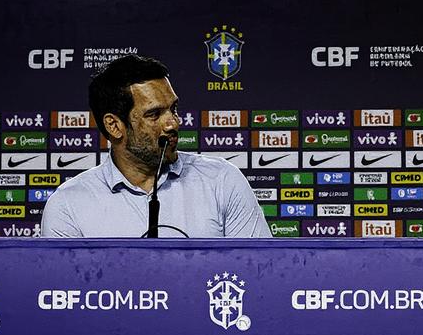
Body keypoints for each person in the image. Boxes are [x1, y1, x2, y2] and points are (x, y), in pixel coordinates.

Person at [41, 55, 271, 238]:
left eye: (174, 109)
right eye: (154, 114)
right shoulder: (68, 205)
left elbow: (258, 273)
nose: (173, 123)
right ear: (114, 126)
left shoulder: (222, 180)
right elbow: (64, 289)